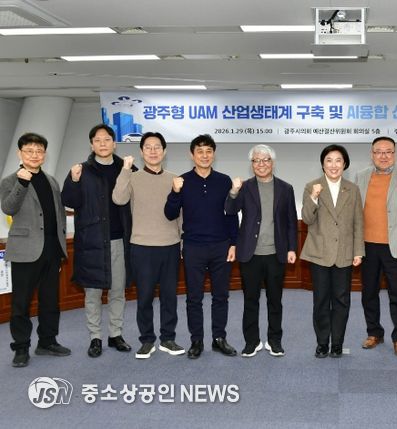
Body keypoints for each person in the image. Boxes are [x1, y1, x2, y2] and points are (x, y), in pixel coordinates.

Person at [164, 134, 238, 359]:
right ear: (192, 155)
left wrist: (234, 243)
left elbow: (231, 214)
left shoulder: (224, 181)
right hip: (194, 246)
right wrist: (175, 192)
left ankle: (219, 338)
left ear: (214, 154)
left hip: (221, 246)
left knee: (221, 296)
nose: (204, 155)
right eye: (200, 151)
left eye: (208, 151)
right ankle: (196, 340)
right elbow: (170, 214)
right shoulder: (182, 181)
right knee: (194, 297)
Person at [62, 124, 133, 358]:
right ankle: (95, 337)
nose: (103, 144)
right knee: (92, 293)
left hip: (119, 240)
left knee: (117, 291)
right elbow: (69, 201)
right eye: (97, 140)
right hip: (91, 241)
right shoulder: (81, 170)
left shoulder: (127, 168)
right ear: (92, 145)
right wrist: (73, 181)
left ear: (114, 143)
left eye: (107, 139)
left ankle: (115, 334)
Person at [112, 132, 184, 359]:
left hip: (170, 245)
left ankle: (168, 338)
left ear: (164, 151)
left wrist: (181, 242)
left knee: (169, 297)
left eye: (157, 147)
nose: (153, 151)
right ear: (141, 152)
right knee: (144, 297)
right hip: (142, 246)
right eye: (148, 147)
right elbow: (118, 198)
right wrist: (125, 170)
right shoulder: (132, 177)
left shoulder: (175, 179)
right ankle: (147, 340)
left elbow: (181, 215)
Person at [1, 133, 70, 367]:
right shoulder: (10, 181)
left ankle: (47, 342)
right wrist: (22, 183)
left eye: (39, 151)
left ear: (44, 155)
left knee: (50, 301)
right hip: (25, 250)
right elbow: (8, 208)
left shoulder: (51, 180)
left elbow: (59, 214)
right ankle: (21, 348)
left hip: (51, 250)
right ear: (20, 153)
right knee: (21, 303)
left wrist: (61, 247)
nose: (34, 155)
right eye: (29, 150)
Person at [225, 144, 298, 358]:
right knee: (250, 301)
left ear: (272, 163)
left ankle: (274, 341)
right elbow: (230, 210)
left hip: (276, 254)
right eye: (256, 160)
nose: (261, 164)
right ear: (252, 164)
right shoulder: (245, 187)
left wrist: (292, 248)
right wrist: (233, 191)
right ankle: (252, 342)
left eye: (265, 160)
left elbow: (291, 222)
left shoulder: (286, 188)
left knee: (275, 301)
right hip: (250, 254)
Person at [354, 136, 397, 357]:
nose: (383, 156)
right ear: (372, 154)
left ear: (395, 154)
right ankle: (374, 332)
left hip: (395, 245)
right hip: (367, 245)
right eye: (379, 152)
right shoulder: (361, 176)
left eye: (388, 151)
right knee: (369, 292)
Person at [300, 144, 364, 358]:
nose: (334, 165)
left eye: (338, 160)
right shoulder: (312, 186)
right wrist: (313, 197)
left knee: (341, 300)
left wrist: (358, 251)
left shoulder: (352, 189)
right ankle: (321, 343)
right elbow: (307, 219)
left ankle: (337, 343)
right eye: (329, 160)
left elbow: (358, 222)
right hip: (319, 253)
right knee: (320, 300)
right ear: (322, 164)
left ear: (344, 164)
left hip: (344, 253)